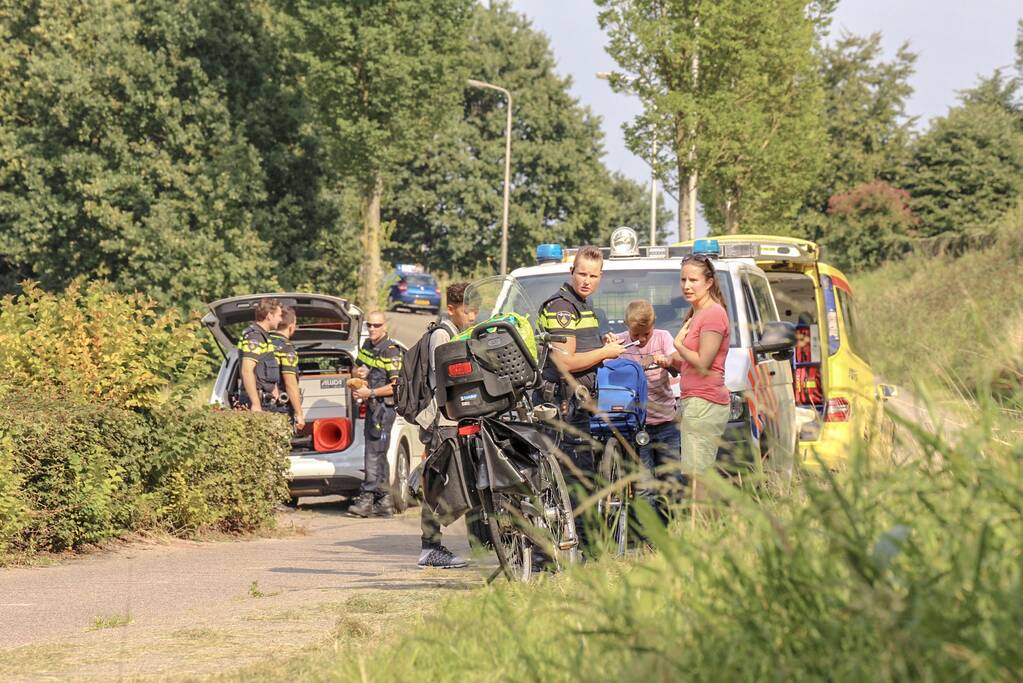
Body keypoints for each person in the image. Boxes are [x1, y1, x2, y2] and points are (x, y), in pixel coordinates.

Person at [538, 245, 625, 548]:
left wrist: (602, 340)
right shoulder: (562, 306)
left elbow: (581, 345)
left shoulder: (583, 304)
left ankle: (584, 549)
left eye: (593, 275)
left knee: (582, 476)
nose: (586, 280)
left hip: (580, 403)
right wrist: (606, 352)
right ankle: (574, 551)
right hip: (564, 405)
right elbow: (565, 363)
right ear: (570, 272)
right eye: (581, 273)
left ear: (601, 277)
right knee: (574, 479)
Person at [416, 282, 477, 569]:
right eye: (467, 311)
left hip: (454, 418)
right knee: (437, 484)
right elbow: (442, 380)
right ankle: (430, 548)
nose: (472, 317)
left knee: (463, 483)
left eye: (475, 311)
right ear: (451, 309)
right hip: (442, 422)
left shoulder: (457, 331)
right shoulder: (442, 335)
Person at [614, 300, 681, 516]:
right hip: (637, 427)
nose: (641, 340)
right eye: (636, 335)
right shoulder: (620, 344)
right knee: (643, 486)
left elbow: (678, 362)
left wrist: (667, 360)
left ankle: (672, 528)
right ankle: (650, 537)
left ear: (654, 325)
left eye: (647, 334)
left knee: (671, 481)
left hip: (666, 424)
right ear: (626, 326)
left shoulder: (663, 338)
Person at [673, 254, 731, 490]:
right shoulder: (696, 313)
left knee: (699, 479)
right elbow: (688, 361)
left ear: (708, 282)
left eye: (693, 280)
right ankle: (702, 525)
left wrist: (677, 346)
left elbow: (703, 361)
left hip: (705, 401)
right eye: (683, 279)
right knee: (696, 477)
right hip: (694, 400)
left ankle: (701, 527)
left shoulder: (713, 313)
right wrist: (666, 359)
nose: (687, 286)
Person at [349, 311, 404, 518]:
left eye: (376, 325)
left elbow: (395, 386)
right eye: (369, 325)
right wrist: (360, 374)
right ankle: (384, 501)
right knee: (378, 453)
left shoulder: (391, 351)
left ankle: (367, 498)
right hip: (372, 407)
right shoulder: (367, 347)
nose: (372, 329)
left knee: (374, 453)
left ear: (385, 327)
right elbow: (356, 369)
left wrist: (369, 392)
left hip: (384, 410)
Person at [238, 298, 285, 413]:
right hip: (257, 400)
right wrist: (255, 404)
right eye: (279, 315)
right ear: (269, 315)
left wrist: (273, 388)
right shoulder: (255, 337)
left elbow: (263, 368)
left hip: (266, 399)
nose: (281, 319)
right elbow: (247, 370)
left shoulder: (263, 336)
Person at [269, 306, 306, 430]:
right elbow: (290, 383)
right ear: (291, 326)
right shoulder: (286, 348)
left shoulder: (262, 343)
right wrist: (299, 413)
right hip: (278, 407)